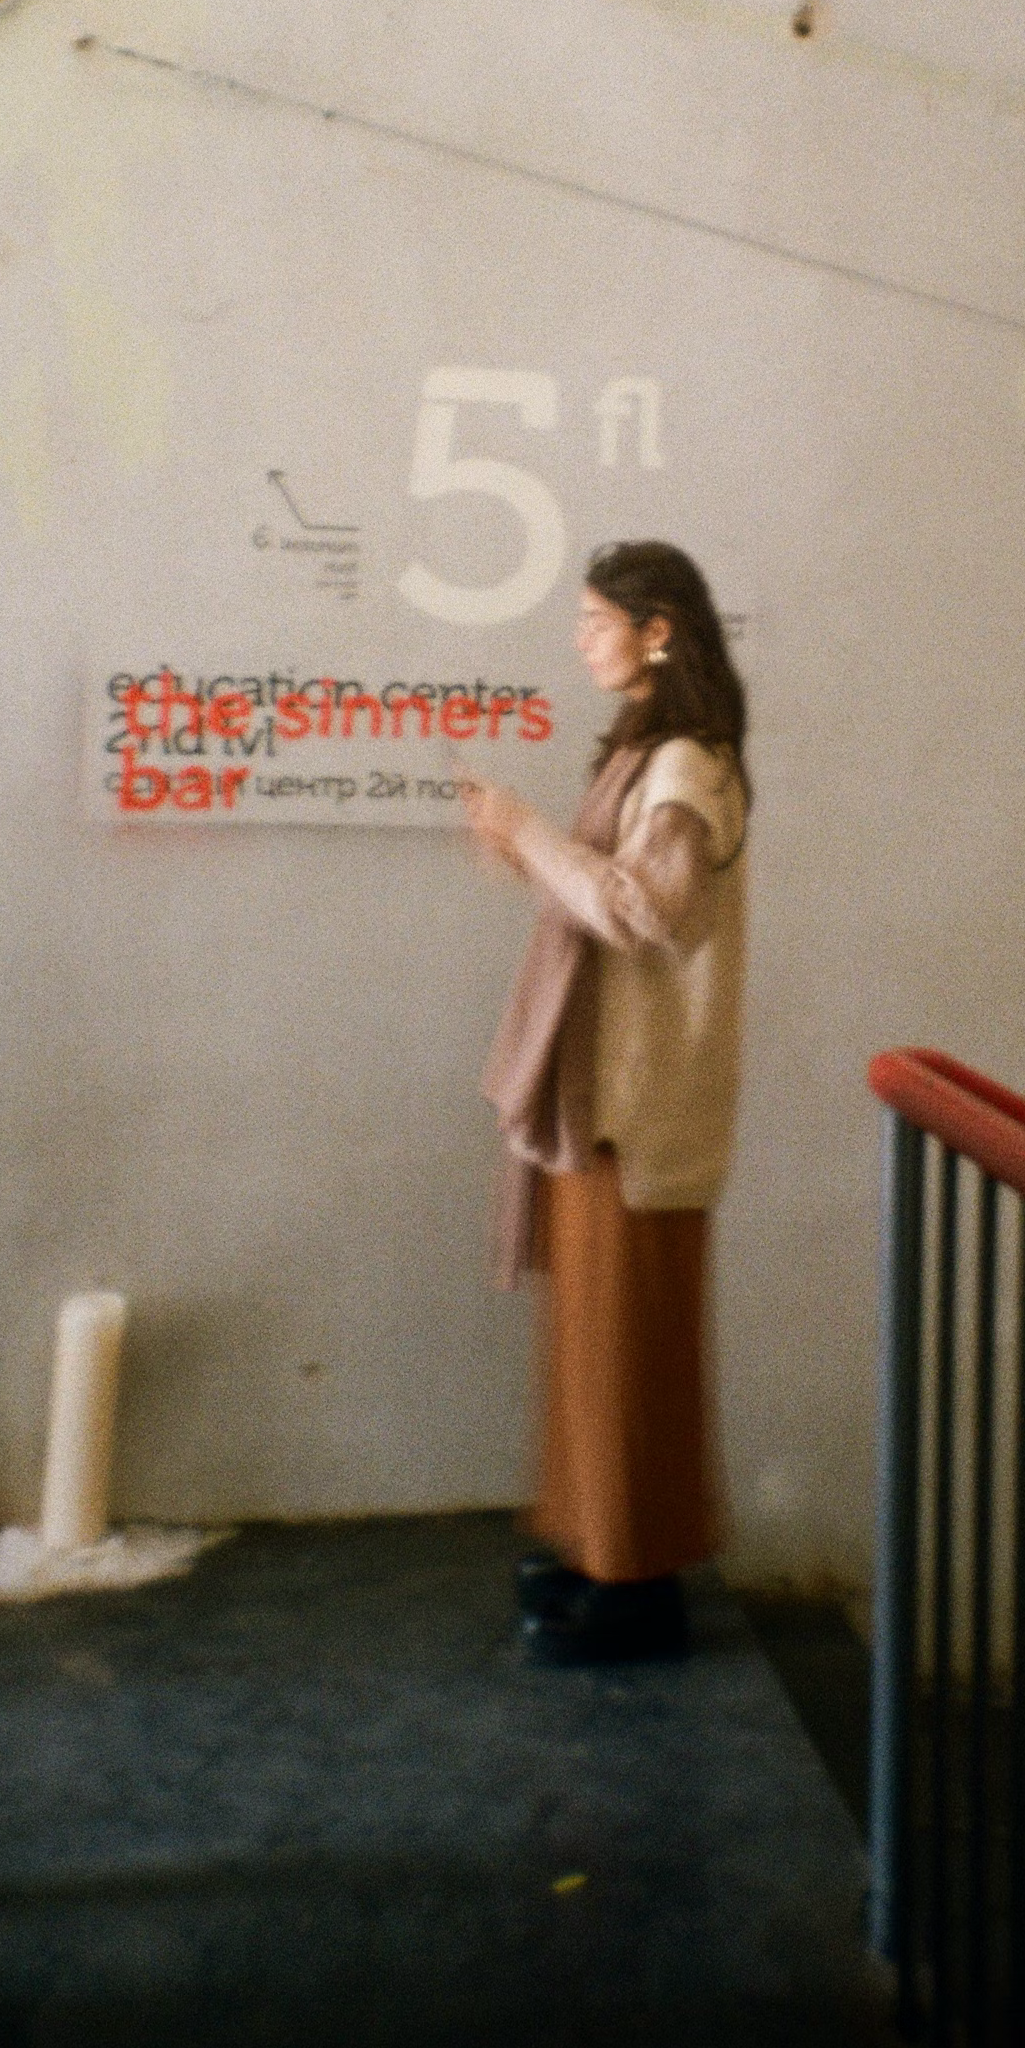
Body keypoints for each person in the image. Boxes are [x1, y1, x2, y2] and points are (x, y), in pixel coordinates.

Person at [460, 540, 750, 1667]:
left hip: (635, 1107)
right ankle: (595, 1547)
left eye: (595, 620)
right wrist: (523, 844)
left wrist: (531, 833)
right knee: (592, 1339)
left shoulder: (684, 766)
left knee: (627, 1347)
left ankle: (636, 1588)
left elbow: (643, 915)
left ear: (659, 629)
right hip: (605, 1095)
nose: (580, 639)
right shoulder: (649, 755)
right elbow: (604, 897)